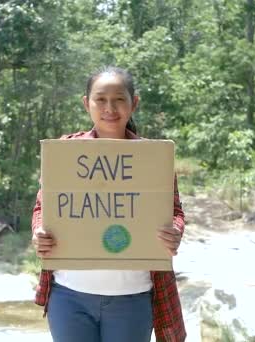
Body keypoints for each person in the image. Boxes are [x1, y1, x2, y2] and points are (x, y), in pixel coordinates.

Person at [31, 66, 186, 342]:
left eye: (119, 99)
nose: (109, 108)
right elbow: (42, 208)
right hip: (69, 296)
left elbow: (174, 212)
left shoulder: (154, 158)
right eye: (100, 99)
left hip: (133, 297)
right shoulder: (65, 152)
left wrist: (175, 232)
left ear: (134, 103)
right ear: (86, 103)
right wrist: (38, 233)